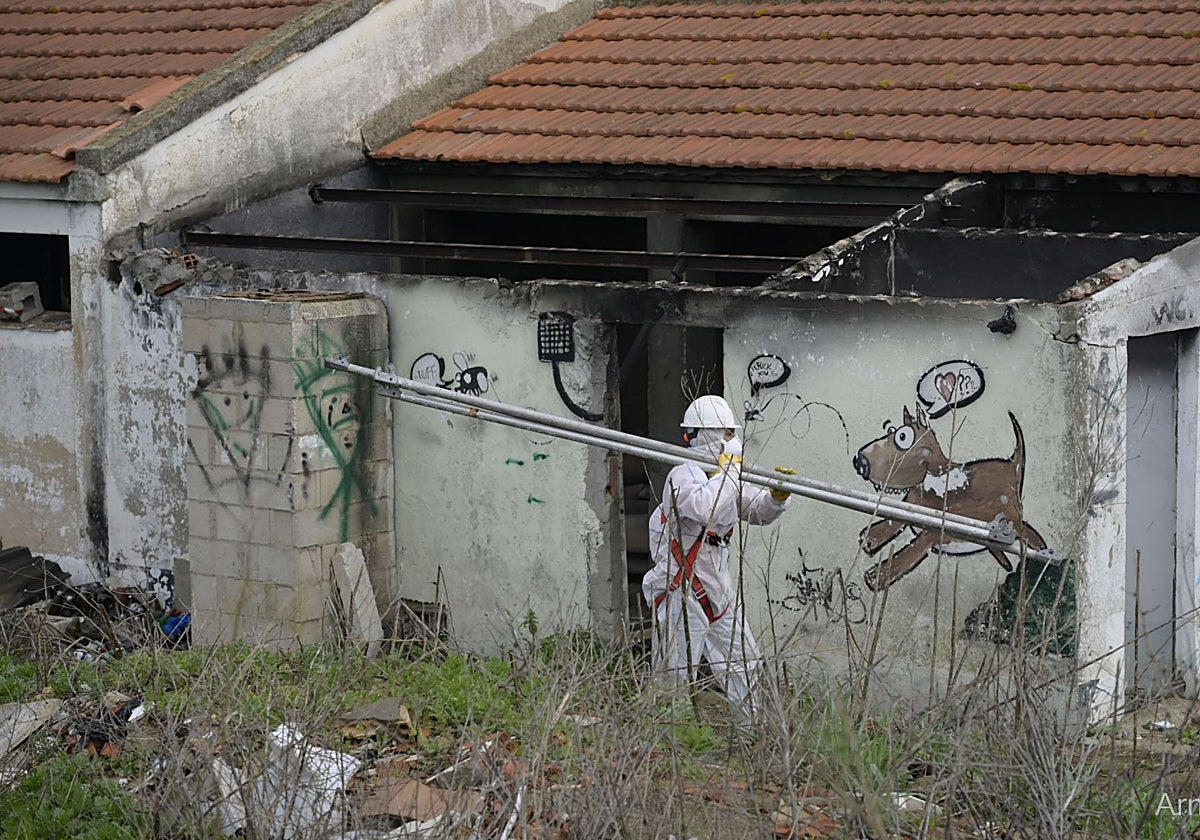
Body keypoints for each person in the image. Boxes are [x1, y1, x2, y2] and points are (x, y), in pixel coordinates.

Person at [642, 394, 793, 726]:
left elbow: (756, 511)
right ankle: (671, 741)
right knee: (675, 672)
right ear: (706, 433)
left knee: (743, 661)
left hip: (718, 592)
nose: (732, 439)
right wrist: (728, 472)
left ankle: (753, 731)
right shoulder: (683, 475)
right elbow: (704, 508)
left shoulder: (727, 476)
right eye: (726, 432)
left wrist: (776, 499)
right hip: (682, 589)